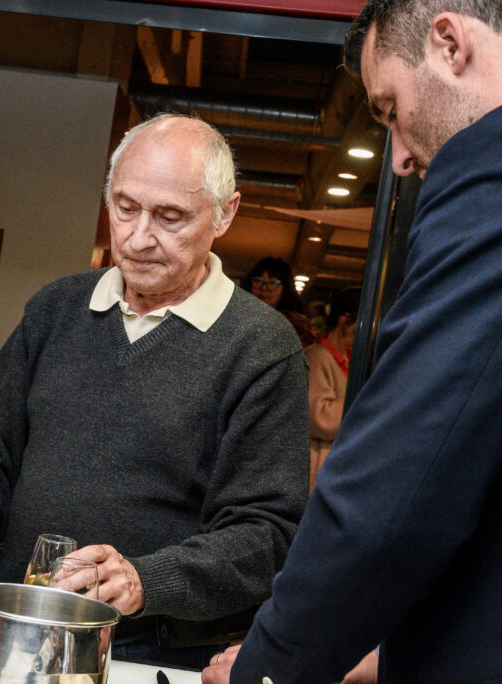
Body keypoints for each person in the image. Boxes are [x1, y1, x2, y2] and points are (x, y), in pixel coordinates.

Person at [0, 113, 310, 669]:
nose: (138, 238)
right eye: (125, 207)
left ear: (225, 214)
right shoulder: (56, 308)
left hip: (150, 651)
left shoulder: (261, 347)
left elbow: (265, 535)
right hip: (14, 623)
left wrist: (144, 580)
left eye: (170, 217)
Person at [202, 1, 502, 682]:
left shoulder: (488, 181)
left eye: (390, 110)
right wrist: (385, 655)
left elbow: (397, 492)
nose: (399, 157)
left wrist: (269, 668)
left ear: (449, 43)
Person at [304, 287, 360, 489]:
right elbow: (319, 419)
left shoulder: (351, 360)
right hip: (318, 467)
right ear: (345, 319)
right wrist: (362, 400)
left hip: (336, 466)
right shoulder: (317, 357)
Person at [243, 257, 318, 348]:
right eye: (258, 281)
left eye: (273, 283)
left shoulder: (296, 323)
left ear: (285, 288)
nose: (264, 288)